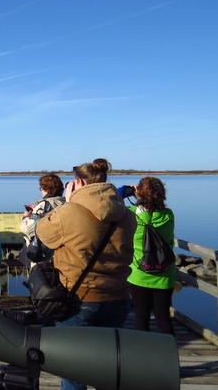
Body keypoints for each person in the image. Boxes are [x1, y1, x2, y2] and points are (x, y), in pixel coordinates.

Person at [36, 158, 135, 390]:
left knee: (73, 370)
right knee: (110, 367)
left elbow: (42, 233)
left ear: (78, 182)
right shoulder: (127, 215)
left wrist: (67, 202)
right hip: (119, 298)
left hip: (80, 298)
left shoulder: (70, 212)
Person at [124, 177, 176, 334]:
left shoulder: (131, 214)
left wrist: (133, 195)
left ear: (140, 193)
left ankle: (142, 355)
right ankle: (169, 354)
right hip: (164, 274)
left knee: (141, 316)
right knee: (163, 317)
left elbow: (116, 207)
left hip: (138, 274)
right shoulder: (168, 215)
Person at [20, 174, 66, 264]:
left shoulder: (44, 205)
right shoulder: (64, 202)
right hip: (60, 251)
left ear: (46, 189)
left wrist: (26, 217)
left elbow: (27, 229)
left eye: (41, 188)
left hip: (44, 253)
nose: (41, 191)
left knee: (39, 276)